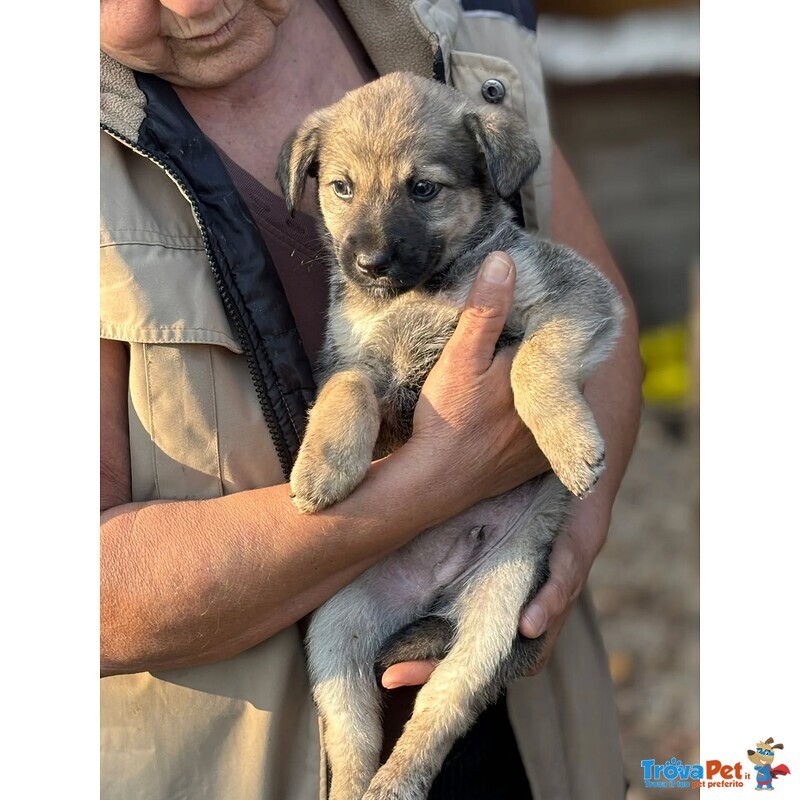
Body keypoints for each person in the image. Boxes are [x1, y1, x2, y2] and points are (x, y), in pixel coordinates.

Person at [100, 1, 643, 798]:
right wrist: (438, 474)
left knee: (488, 636)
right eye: (342, 191)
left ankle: (417, 757)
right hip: (248, 756)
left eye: (422, 189)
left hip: (532, 728)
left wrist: (573, 536)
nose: (191, 1)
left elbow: (598, 311)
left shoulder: (455, 33)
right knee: (341, 636)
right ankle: (360, 778)